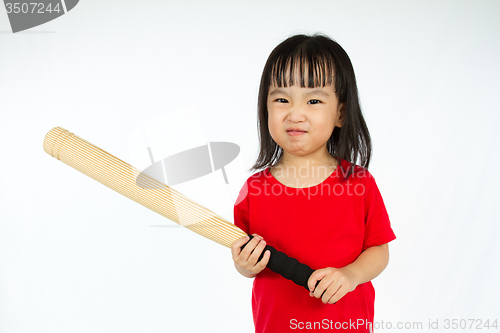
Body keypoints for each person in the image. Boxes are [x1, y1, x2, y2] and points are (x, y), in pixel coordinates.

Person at [230, 33, 396, 332]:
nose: (295, 113)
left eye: (314, 100)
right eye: (281, 99)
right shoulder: (254, 189)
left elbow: (379, 251)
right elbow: (244, 257)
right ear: (265, 107)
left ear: (340, 114)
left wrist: (351, 275)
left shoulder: (359, 183)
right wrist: (245, 265)